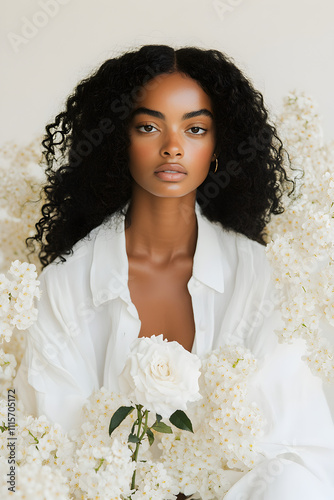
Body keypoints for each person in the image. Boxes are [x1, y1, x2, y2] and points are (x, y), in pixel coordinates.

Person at [15, 45, 334, 498]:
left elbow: (298, 447)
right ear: (117, 140)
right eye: (149, 126)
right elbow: (36, 439)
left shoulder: (264, 277)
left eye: (196, 128)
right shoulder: (65, 284)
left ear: (217, 145)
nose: (172, 147)